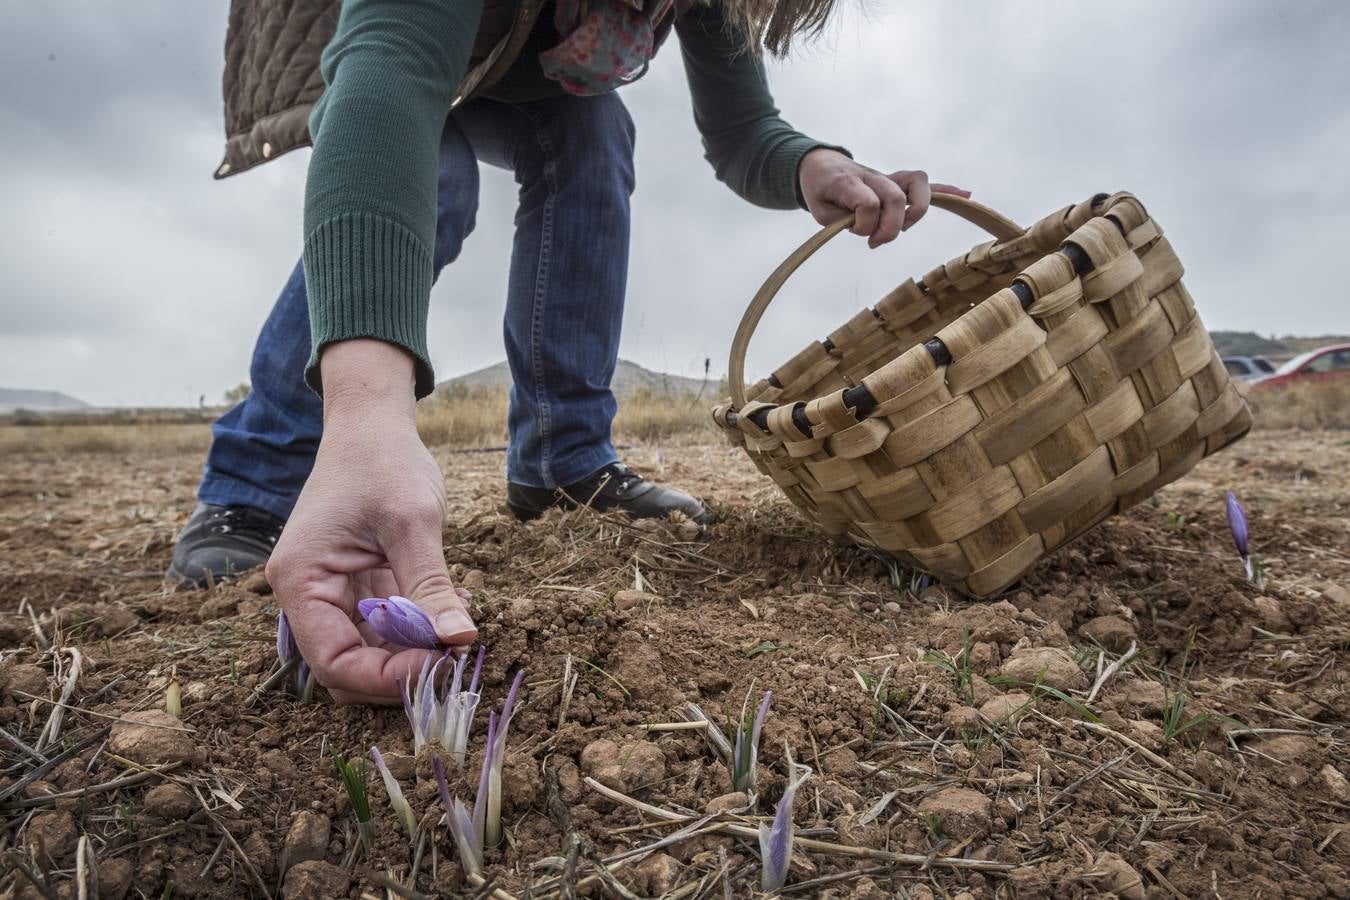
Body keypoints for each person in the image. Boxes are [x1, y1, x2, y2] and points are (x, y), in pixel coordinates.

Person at [175, 0, 967, 704]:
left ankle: (563, 460)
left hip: (514, 62)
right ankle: (255, 478)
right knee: (435, 177)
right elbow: (388, 78)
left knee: (593, 131)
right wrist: (367, 418)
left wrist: (806, 163)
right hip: (369, 38)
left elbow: (741, 131)